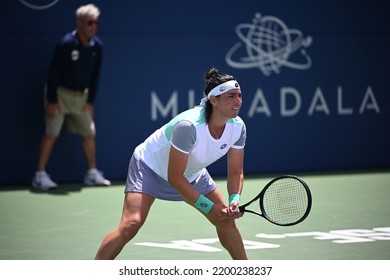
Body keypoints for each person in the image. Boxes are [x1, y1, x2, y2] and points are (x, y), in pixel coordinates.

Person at [95, 67, 248, 260]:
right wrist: (208, 206)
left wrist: (234, 200)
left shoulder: (238, 127)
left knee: (226, 221)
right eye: (231, 96)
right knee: (131, 225)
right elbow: (175, 178)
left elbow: (235, 172)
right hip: (149, 168)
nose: (238, 101)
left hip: (192, 173)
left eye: (240, 95)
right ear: (213, 100)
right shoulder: (189, 126)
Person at [32, 4, 110, 190]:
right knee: (51, 134)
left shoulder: (97, 46)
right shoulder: (66, 44)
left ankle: (91, 173)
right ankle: (40, 175)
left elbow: (95, 76)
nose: (94, 26)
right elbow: (53, 73)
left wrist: (90, 102)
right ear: (79, 23)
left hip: (81, 99)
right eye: (90, 22)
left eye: (96, 22)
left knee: (89, 134)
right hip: (59, 96)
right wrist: (52, 100)